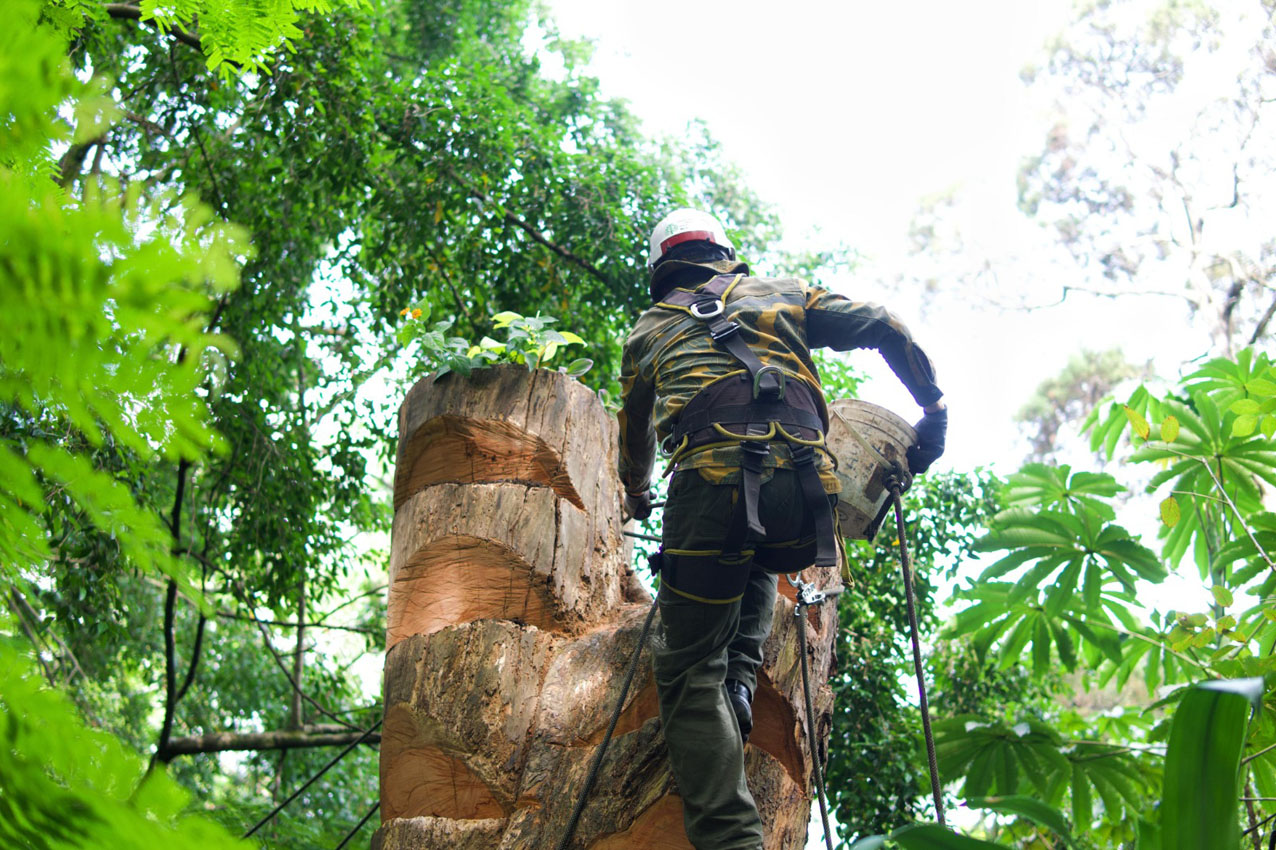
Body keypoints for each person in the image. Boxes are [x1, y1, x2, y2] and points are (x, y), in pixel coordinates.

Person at [618, 208, 947, 849]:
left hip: (707, 492)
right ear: (723, 253)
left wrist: (635, 493)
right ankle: (742, 677)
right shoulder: (785, 294)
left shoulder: (647, 333)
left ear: (662, 270)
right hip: (804, 499)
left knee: (686, 670)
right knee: (760, 545)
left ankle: (733, 838)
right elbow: (882, 323)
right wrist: (931, 405)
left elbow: (634, 439)